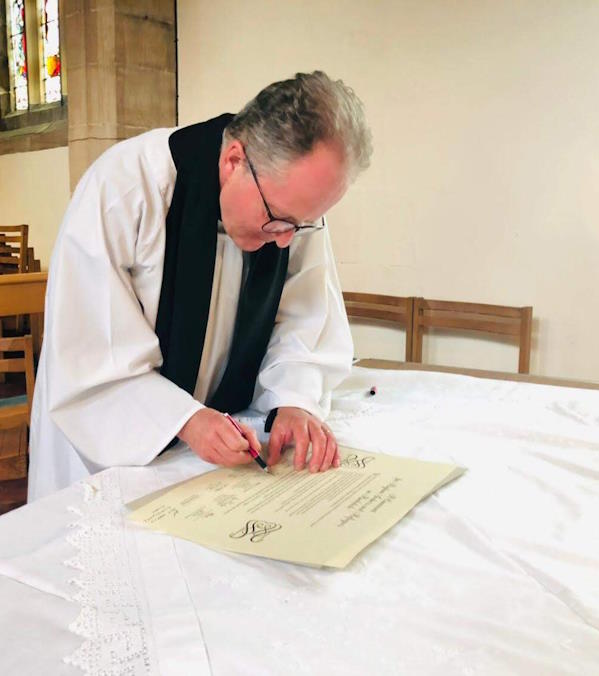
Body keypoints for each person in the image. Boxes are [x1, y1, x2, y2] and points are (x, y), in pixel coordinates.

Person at [28, 71, 372, 500]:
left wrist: (294, 401)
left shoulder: (290, 211)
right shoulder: (125, 189)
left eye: (300, 225)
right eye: (280, 218)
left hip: (219, 456)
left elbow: (304, 319)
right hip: (116, 450)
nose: (286, 240)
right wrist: (184, 419)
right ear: (233, 162)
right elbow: (93, 357)